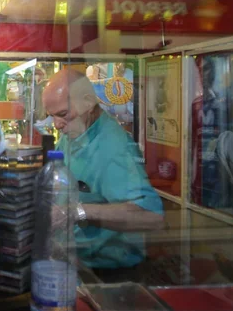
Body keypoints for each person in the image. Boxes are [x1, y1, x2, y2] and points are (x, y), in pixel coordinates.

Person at [42, 68, 164, 283]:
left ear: (89, 102)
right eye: (51, 116)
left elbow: (151, 217)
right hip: (76, 262)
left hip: (109, 275)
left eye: (62, 114)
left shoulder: (113, 147)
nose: (56, 125)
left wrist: (78, 212)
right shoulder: (76, 133)